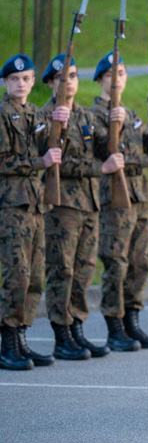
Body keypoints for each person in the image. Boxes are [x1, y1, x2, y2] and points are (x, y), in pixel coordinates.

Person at [40, 54, 115, 360]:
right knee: (63, 269)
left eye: (72, 76)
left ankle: (77, 329)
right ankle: (61, 333)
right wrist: (99, 168)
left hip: (89, 202)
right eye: (61, 78)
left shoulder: (84, 115)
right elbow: (55, 162)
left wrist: (115, 127)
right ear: (50, 83)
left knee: (84, 268)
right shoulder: (44, 116)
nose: (68, 82)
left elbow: (104, 149)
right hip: (63, 205)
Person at [91, 52, 148, 351]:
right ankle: (114, 325)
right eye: (111, 74)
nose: (117, 78)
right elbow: (101, 151)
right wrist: (113, 126)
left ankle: (132, 321)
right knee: (116, 262)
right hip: (114, 198)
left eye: (121, 73)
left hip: (139, 197)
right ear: (101, 80)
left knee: (140, 261)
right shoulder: (93, 115)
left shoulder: (132, 114)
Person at [0, 54, 58, 369]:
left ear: (34, 81)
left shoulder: (35, 113)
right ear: (6, 82)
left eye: (25, 79)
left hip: (35, 204)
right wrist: (39, 163)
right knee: (16, 275)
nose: (20, 84)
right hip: (11, 205)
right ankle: (7, 342)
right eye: (14, 80)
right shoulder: (2, 113)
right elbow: (4, 161)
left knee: (35, 276)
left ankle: (21, 337)